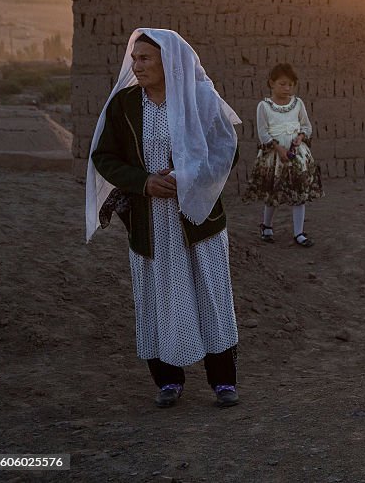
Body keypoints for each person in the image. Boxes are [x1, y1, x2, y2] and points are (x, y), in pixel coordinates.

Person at [86, 28, 243, 409]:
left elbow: (227, 151)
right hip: (150, 223)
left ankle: (223, 382)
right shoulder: (124, 106)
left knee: (211, 295)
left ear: (168, 62)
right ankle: (168, 381)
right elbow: (104, 157)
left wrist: (187, 175)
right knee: (157, 298)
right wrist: (143, 182)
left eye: (145, 59)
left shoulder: (199, 99)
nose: (135, 66)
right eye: (134, 58)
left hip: (198, 220)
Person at [244, 63, 322, 247]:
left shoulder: (298, 104)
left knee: (299, 193)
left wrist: (300, 137)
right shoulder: (264, 106)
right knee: (274, 192)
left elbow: (306, 126)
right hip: (274, 157)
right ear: (272, 83)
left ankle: (299, 233)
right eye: (282, 84)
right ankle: (267, 226)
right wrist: (280, 150)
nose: (287, 88)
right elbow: (263, 133)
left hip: (297, 156)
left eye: (290, 84)